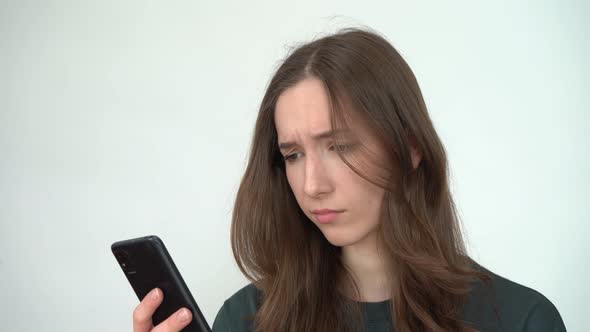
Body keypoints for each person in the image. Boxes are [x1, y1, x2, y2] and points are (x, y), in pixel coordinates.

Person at [130, 27, 566, 332]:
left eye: (339, 146)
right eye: (294, 154)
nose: (312, 184)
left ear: (410, 149)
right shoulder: (247, 319)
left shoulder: (521, 320)